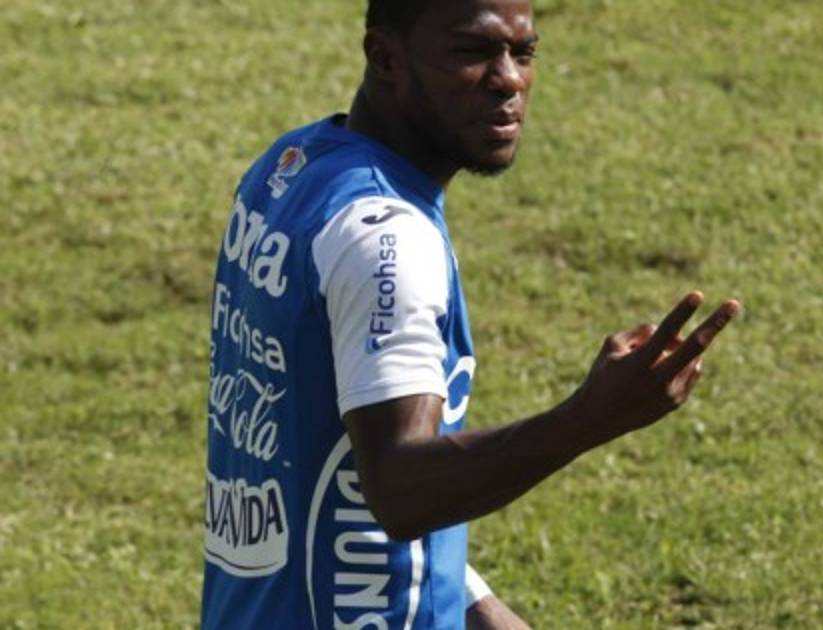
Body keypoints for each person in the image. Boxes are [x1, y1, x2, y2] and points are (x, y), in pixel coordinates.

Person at [200, 0, 740, 628]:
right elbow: (399, 491)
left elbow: (337, 455)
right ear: (385, 57)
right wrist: (589, 417)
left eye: (523, 52)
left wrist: (485, 613)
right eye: (473, 52)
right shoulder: (386, 240)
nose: (508, 80)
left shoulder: (292, 168)